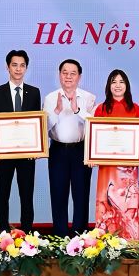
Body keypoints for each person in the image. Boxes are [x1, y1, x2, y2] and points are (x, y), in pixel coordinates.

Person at [0, 50, 41, 232]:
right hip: (3, 154)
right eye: (14, 65)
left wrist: (37, 148)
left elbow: (36, 123)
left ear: (26, 67)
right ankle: (3, 232)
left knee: (26, 195)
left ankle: (26, 233)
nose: (18, 69)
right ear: (7, 67)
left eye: (22, 65)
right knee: (2, 194)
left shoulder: (34, 93)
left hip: (27, 154)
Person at [43, 59, 96, 236]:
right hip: (58, 150)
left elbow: (93, 126)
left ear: (79, 76)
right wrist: (56, 111)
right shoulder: (50, 98)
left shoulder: (89, 98)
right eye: (65, 72)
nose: (68, 76)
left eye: (73, 73)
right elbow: (44, 129)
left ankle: (80, 237)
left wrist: (76, 109)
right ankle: (60, 236)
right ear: (59, 75)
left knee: (81, 195)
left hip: (81, 150)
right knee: (58, 194)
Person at [93, 69, 139, 241]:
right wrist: (92, 156)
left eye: (121, 81)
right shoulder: (100, 108)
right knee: (107, 205)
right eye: (114, 81)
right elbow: (95, 137)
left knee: (128, 205)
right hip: (107, 168)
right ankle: (106, 243)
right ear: (108, 86)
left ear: (127, 85)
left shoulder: (135, 108)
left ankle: (132, 243)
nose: (117, 85)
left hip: (128, 169)